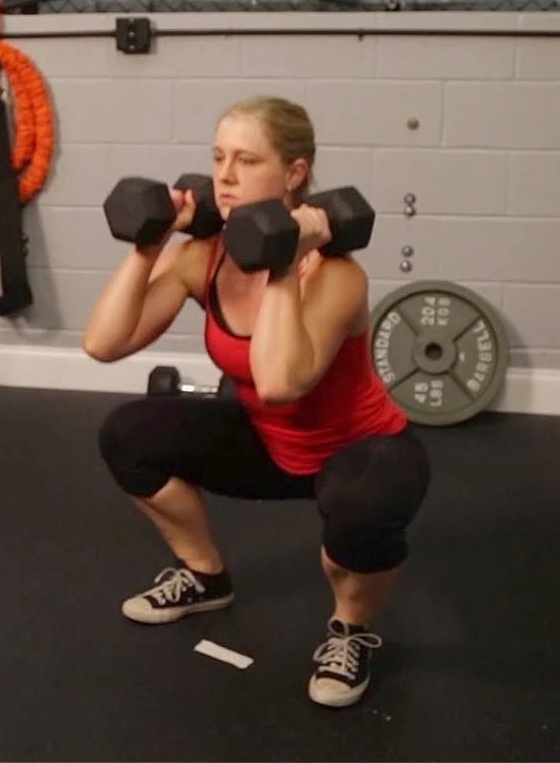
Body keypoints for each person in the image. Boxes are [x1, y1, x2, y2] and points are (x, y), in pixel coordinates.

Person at [84, 96, 430, 708]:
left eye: (247, 160)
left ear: (295, 173)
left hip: (358, 451)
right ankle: (205, 577)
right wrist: (147, 245)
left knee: (360, 516)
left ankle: (351, 629)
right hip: (267, 444)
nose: (224, 176)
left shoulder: (337, 274)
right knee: (128, 437)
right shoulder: (204, 255)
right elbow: (103, 343)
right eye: (218, 158)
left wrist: (282, 265)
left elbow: (280, 382)